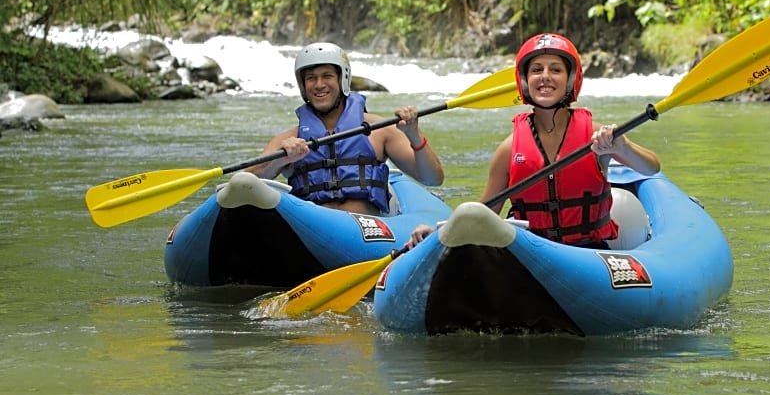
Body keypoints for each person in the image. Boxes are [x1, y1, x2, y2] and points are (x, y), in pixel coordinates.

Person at [410, 32, 659, 248]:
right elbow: (484, 213)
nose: (545, 76)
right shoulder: (509, 149)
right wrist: (437, 234)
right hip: (532, 251)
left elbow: (651, 167)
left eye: (556, 69)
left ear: (571, 80)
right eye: (537, 70)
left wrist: (622, 146)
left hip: (588, 250)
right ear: (525, 81)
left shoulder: (597, 136)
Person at [247, 42, 444, 216]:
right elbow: (246, 182)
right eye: (311, 78)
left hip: (368, 229)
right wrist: (281, 159)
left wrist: (414, 135)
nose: (319, 84)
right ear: (303, 85)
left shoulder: (379, 129)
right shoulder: (290, 138)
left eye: (327, 76)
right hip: (312, 229)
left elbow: (433, 179)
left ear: (343, 80)